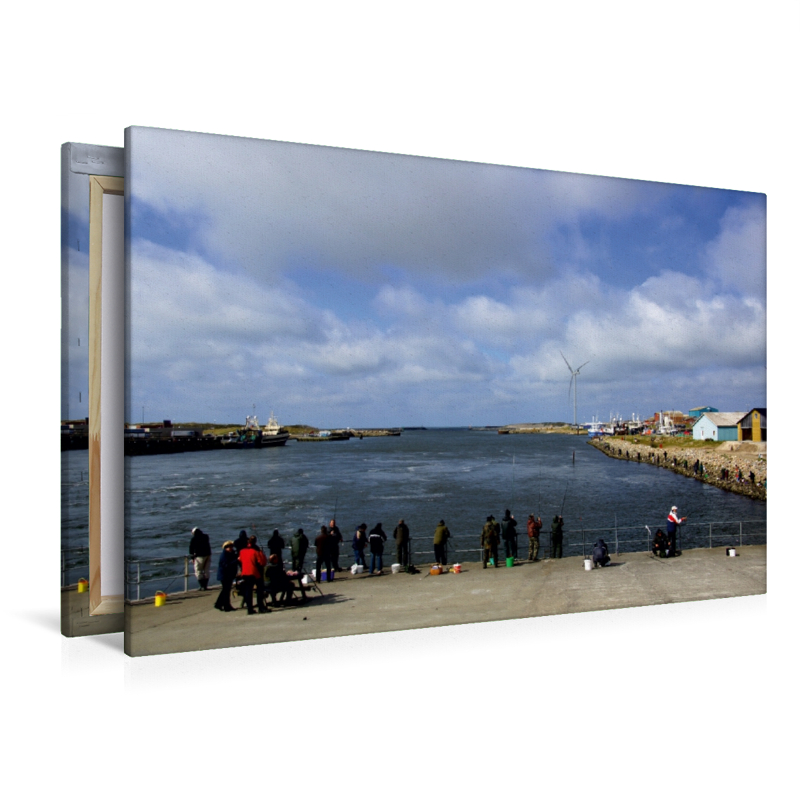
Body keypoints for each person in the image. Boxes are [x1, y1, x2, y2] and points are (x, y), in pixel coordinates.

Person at [238, 536, 268, 614]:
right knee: (260, 590)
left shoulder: (242, 551)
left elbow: (240, 560)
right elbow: (262, 562)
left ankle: (249, 608)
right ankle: (261, 607)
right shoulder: (256, 551)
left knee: (248, 591)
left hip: (245, 572)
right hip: (255, 572)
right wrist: (262, 553)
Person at [214, 540, 238, 611]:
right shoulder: (224, 555)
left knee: (225, 590)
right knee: (226, 591)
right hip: (224, 575)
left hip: (229, 575)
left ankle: (218, 604)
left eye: (232, 547)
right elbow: (226, 565)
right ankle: (226, 606)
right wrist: (236, 560)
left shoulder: (231, 554)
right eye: (229, 547)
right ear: (226, 548)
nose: (231, 548)